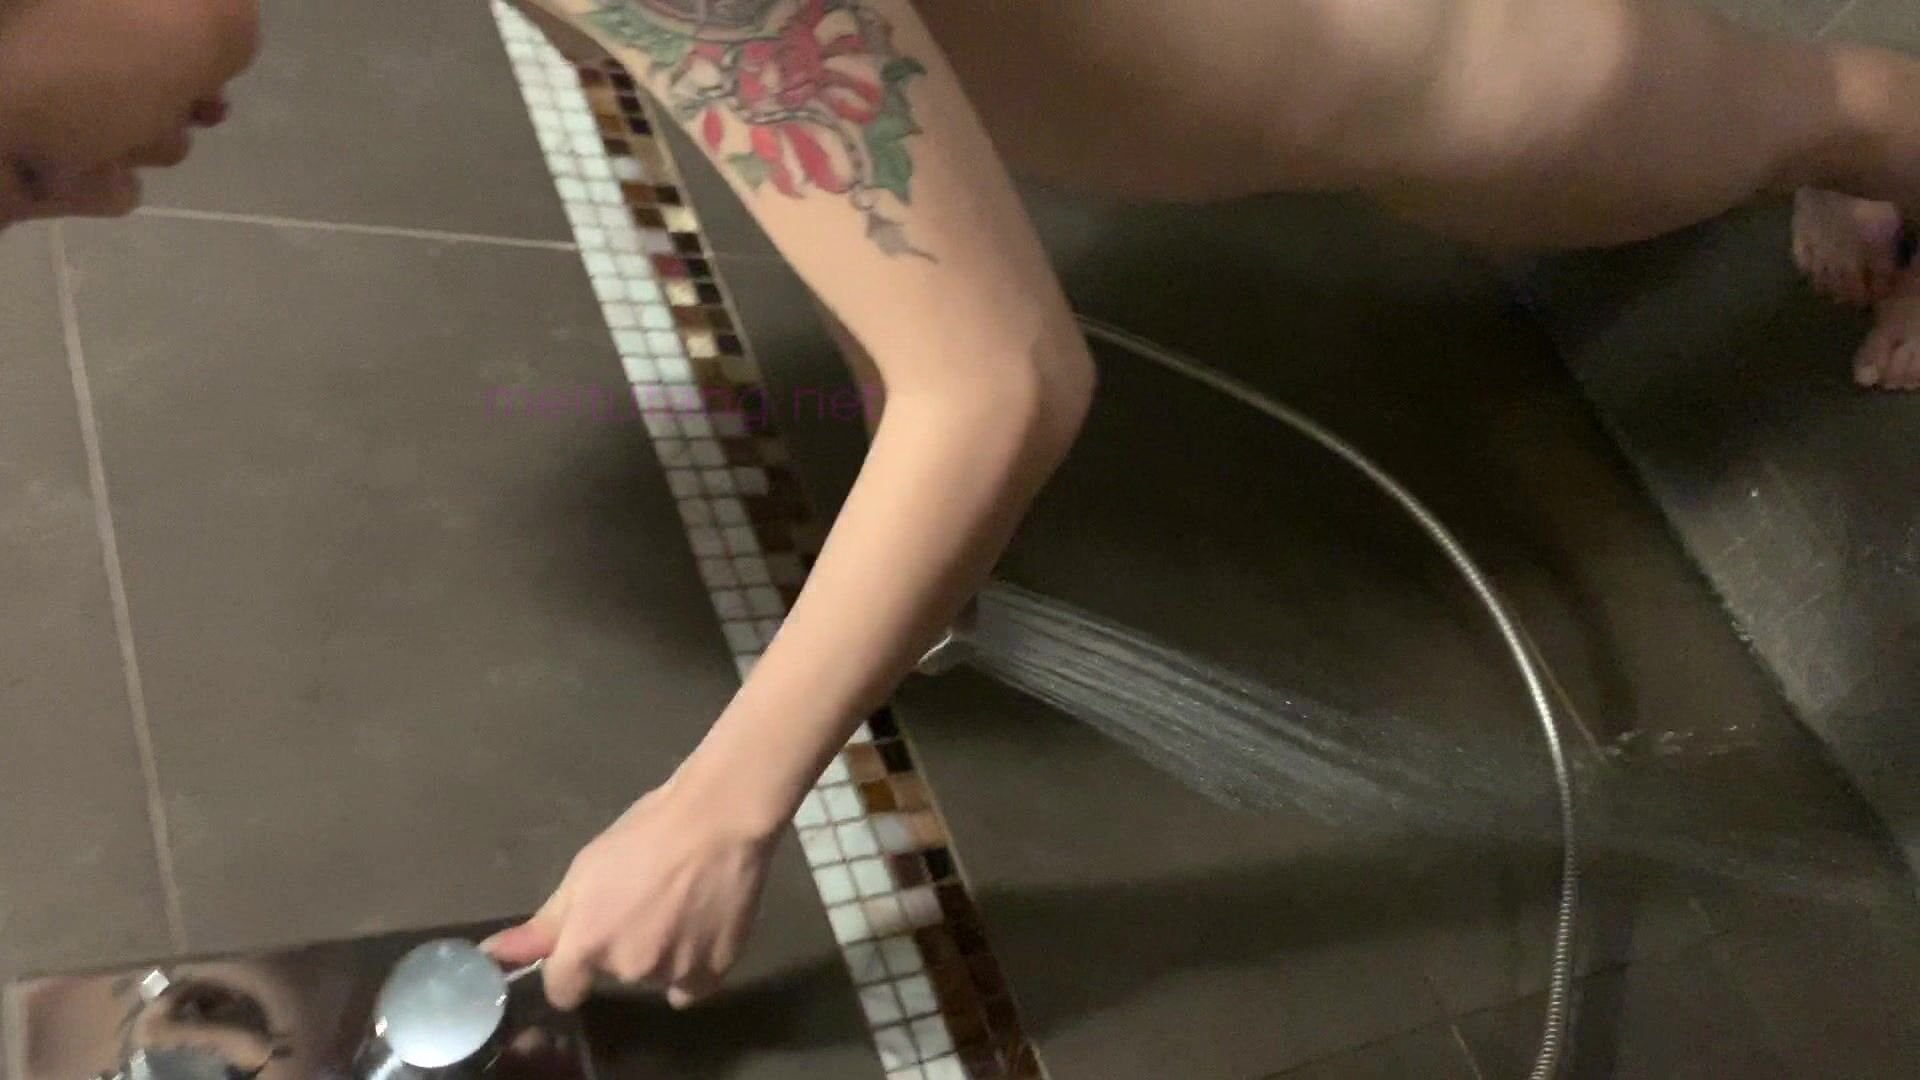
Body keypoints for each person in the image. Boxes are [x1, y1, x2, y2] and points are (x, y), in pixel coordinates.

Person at [4, 0, 1915, 1012]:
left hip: (1433, 69)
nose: (96, 203)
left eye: (17, 164)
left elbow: (1001, 380)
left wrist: (715, 813)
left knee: (1785, 103)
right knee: (1728, 116)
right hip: (1271, 76)